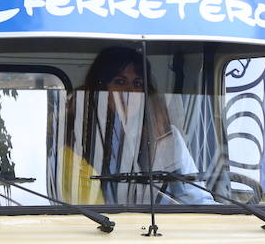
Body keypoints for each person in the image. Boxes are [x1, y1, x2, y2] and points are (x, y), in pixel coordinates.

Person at [61, 46, 214, 205]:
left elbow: (195, 196)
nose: (130, 91)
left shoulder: (166, 136)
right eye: (120, 82)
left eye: (138, 83)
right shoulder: (78, 135)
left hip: (161, 227)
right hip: (100, 226)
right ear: (101, 88)